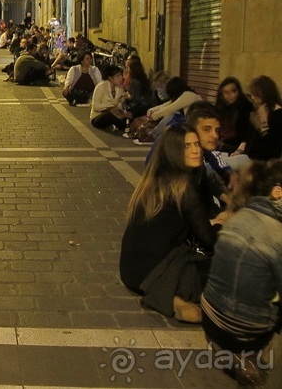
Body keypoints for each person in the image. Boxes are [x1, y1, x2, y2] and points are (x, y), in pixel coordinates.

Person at [119, 125, 218, 322]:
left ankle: (173, 299)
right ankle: (172, 296)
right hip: (155, 274)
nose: (196, 150)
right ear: (173, 152)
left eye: (196, 144)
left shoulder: (154, 180)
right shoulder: (184, 186)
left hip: (131, 271)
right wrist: (221, 226)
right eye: (186, 146)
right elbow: (209, 241)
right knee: (225, 267)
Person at [200, 160, 282, 387]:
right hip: (241, 331)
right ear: (278, 192)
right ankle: (253, 360)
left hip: (210, 316)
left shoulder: (238, 217)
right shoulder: (277, 233)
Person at [233, 75, 282, 161]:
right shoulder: (256, 110)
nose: (252, 97)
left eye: (255, 94)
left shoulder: (278, 114)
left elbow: (273, 148)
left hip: (263, 162)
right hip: (248, 157)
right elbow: (248, 137)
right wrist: (239, 150)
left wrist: (263, 125)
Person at [214, 76, 254, 154]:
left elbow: (244, 135)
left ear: (239, 91)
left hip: (237, 147)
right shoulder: (219, 108)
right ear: (221, 95)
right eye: (226, 92)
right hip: (220, 143)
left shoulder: (244, 107)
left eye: (233, 91)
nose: (230, 95)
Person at [90, 65, 129, 132]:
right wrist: (112, 103)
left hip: (115, 115)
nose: (121, 78)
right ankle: (123, 127)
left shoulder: (119, 88)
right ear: (110, 78)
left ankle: (115, 126)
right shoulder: (101, 86)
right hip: (98, 116)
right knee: (108, 116)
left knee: (128, 116)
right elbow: (95, 106)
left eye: (121, 75)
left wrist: (123, 112)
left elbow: (120, 106)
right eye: (117, 76)